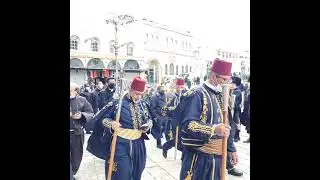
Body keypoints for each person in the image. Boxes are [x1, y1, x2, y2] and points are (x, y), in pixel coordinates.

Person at [87, 76, 161, 180]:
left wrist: (147, 125)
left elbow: (149, 119)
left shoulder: (143, 104)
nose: (138, 97)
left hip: (138, 144)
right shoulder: (118, 103)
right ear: (130, 90)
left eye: (141, 94)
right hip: (120, 144)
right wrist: (111, 123)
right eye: (136, 93)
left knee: (137, 171)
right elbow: (102, 119)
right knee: (123, 174)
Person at [175, 59, 239, 180]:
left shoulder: (221, 94)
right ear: (214, 76)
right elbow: (188, 124)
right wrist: (214, 129)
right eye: (224, 80)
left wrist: (231, 149)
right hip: (199, 158)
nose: (227, 84)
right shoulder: (197, 93)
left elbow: (228, 125)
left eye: (228, 80)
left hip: (219, 157)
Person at [70, 82, 94, 179]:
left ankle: (72, 173)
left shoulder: (82, 100)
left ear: (76, 91)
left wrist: (81, 115)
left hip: (77, 134)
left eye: (71, 91)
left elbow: (91, 113)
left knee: (76, 158)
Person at [161, 78, 187, 158]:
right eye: (178, 87)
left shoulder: (187, 96)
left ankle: (184, 155)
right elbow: (165, 109)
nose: (180, 89)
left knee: (184, 139)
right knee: (176, 140)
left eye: (182, 87)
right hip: (174, 122)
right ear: (176, 87)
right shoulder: (171, 95)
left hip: (184, 121)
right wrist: (171, 109)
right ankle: (165, 147)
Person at [231, 76, 242, 142]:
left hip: (236, 110)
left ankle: (237, 137)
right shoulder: (233, 91)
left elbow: (235, 102)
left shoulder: (237, 91)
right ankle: (235, 136)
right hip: (234, 109)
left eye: (232, 84)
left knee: (237, 122)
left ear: (235, 84)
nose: (231, 85)